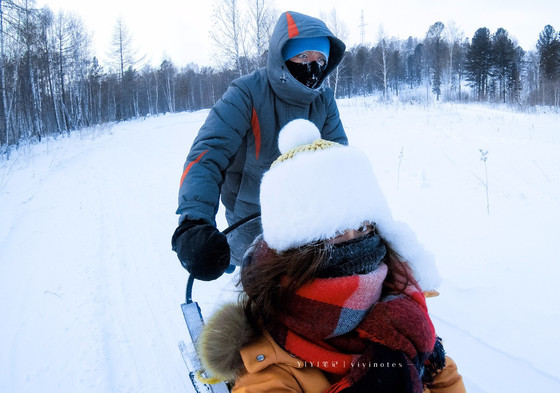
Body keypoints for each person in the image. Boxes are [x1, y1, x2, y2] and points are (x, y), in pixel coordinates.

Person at [196, 119, 465, 393]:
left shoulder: (399, 300)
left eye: (362, 227)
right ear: (296, 249)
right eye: (334, 233)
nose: (353, 242)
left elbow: (447, 381)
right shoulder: (270, 372)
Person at [171, 11, 348, 281]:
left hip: (307, 213)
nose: (312, 67)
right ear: (282, 56)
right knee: (258, 279)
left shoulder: (323, 99)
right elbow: (207, 154)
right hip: (250, 215)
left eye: (320, 59)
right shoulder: (246, 93)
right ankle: (232, 258)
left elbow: (338, 158)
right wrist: (194, 221)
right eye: (303, 56)